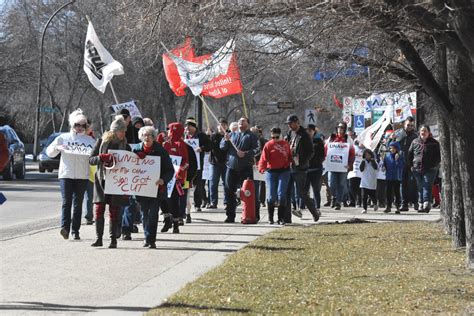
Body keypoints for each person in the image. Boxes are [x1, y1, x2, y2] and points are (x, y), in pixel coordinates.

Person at [46, 109, 96, 240]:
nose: (79, 128)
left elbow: (95, 157)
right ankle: (65, 228)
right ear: (72, 125)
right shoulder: (63, 138)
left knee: (78, 204)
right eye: (77, 125)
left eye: (82, 125)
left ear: (86, 127)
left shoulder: (89, 141)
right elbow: (49, 152)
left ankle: (75, 230)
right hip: (66, 174)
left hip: (82, 176)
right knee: (66, 202)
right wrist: (57, 148)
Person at [89, 116, 131, 248]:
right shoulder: (101, 142)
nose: (123, 134)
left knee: (114, 210)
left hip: (116, 181)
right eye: (121, 131)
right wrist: (101, 158)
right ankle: (99, 238)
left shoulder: (126, 145)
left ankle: (113, 239)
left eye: (125, 131)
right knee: (99, 209)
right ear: (114, 131)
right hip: (101, 180)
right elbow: (91, 160)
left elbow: (131, 162)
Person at [133, 126, 174, 248]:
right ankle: (147, 237)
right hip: (141, 189)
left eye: (149, 135)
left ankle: (152, 240)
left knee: (153, 214)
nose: (147, 137)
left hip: (157, 189)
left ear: (153, 137)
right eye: (144, 135)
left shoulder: (161, 151)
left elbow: (170, 170)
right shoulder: (135, 150)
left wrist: (163, 180)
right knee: (144, 214)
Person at [220, 117, 259, 223]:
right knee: (229, 192)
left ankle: (253, 214)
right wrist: (225, 140)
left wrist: (245, 153)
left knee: (249, 192)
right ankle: (230, 216)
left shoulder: (252, 136)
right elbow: (222, 147)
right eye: (239, 121)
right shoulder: (232, 135)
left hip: (246, 168)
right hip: (231, 168)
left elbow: (257, 149)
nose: (241, 122)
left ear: (248, 124)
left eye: (244, 121)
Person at [285, 114, 319, 222]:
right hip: (289, 166)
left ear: (297, 122)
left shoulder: (304, 135)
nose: (289, 126)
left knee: (301, 193)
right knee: (286, 192)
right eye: (288, 124)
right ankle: (287, 218)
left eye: (291, 123)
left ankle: (314, 212)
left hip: (300, 168)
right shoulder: (290, 133)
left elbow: (311, 151)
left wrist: (303, 161)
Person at [258, 127, 292, 224]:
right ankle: (270, 217)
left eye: (277, 137)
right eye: (273, 137)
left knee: (281, 194)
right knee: (272, 195)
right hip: (271, 171)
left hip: (284, 171)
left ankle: (281, 218)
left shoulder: (285, 144)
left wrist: (293, 162)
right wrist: (261, 167)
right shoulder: (268, 145)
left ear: (280, 135)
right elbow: (263, 158)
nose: (275, 139)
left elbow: (290, 157)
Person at [163, 122, 191, 232]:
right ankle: (167, 220)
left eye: (170, 130)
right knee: (165, 200)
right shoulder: (165, 144)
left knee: (174, 200)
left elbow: (186, 162)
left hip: (177, 178)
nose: (168, 132)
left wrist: (179, 172)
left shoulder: (181, 144)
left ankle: (175, 223)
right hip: (166, 176)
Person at [408, 124, 441, 213]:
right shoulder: (415, 142)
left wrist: (435, 165)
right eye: (422, 130)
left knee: (426, 185)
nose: (423, 132)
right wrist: (411, 165)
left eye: (425, 131)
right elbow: (410, 154)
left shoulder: (434, 143)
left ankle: (426, 203)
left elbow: (438, 156)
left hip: (430, 169)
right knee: (419, 186)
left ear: (429, 132)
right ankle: (421, 204)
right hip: (416, 168)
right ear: (419, 132)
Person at [118, 109, 139, 240]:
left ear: (129, 118)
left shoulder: (136, 133)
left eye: (125, 117)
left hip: (134, 171)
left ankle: (126, 228)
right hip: (117, 173)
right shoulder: (111, 135)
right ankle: (117, 226)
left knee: (131, 202)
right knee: (117, 203)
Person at [325, 122, 355, 210]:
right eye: (339, 127)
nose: (340, 129)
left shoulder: (348, 139)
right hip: (333, 165)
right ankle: (333, 197)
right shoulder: (332, 138)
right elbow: (326, 149)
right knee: (332, 184)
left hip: (343, 166)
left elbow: (352, 153)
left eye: (342, 128)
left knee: (341, 184)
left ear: (345, 129)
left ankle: (338, 202)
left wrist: (350, 164)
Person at [185, 117, 212, 212]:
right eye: (186, 127)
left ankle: (197, 204)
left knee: (198, 185)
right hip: (186, 166)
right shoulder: (185, 136)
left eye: (189, 127)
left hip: (198, 164)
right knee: (186, 184)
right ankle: (185, 204)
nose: (187, 129)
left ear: (194, 127)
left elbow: (209, 146)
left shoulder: (201, 136)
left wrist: (202, 148)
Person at [394, 117, 418, 211]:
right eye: (408, 125)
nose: (410, 127)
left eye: (412, 125)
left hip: (412, 162)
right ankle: (404, 204)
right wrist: (396, 153)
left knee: (413, 183)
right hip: (402, 162)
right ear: (404, 124)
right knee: (403, 184)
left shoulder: (415, 136)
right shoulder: (399, 134)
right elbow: (393, 146)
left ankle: (416, 202)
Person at [208, 118, 229, 209]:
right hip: (214, 163)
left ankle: (226, 202)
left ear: (227, 126)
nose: (222, 127)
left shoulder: (229, 136)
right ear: (218, 126)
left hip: (226, 163)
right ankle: (213, 202)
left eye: (224, 125)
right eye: (220, 125)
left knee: (226, 183)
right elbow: (208, 147)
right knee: (213, 183)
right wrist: (207, 137)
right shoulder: (213, 136)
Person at [305, 124, 325, 214]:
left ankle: (317, 208)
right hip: (305, 169)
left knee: (316, 189)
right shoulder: (303, 141)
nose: (308, 132)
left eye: (310, 130)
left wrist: (317, 162)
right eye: (307, 130)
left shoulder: (318, 141)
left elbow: (322, 155)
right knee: (304, 190)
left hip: (316, 169)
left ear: (314, 131)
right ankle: (302, 208)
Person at [383, 141, 405, 213]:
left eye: (393, 148)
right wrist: (383, 167)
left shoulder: (400, 156)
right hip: (389, 177)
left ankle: (397, 207)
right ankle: (388, 206)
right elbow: (384, 165)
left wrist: (397, 160)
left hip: (396, 177)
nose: (391, 149)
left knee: (397, 192)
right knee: (388, 192)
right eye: (390, 148)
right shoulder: (387, 156)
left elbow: (401, 166)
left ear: (397, 149)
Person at [359, 149, 378, 214]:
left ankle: (375, 203)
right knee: (364, 196)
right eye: (366, 155)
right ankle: (365, 208)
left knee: (372, 195)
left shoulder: (374, 161)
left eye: (368, 155)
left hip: (372, 182)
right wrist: (363, 162)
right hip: (364, 182)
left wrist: (372, 161)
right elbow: (361, 169)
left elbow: (376, 168)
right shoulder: (363, 162)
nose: (367, 156)